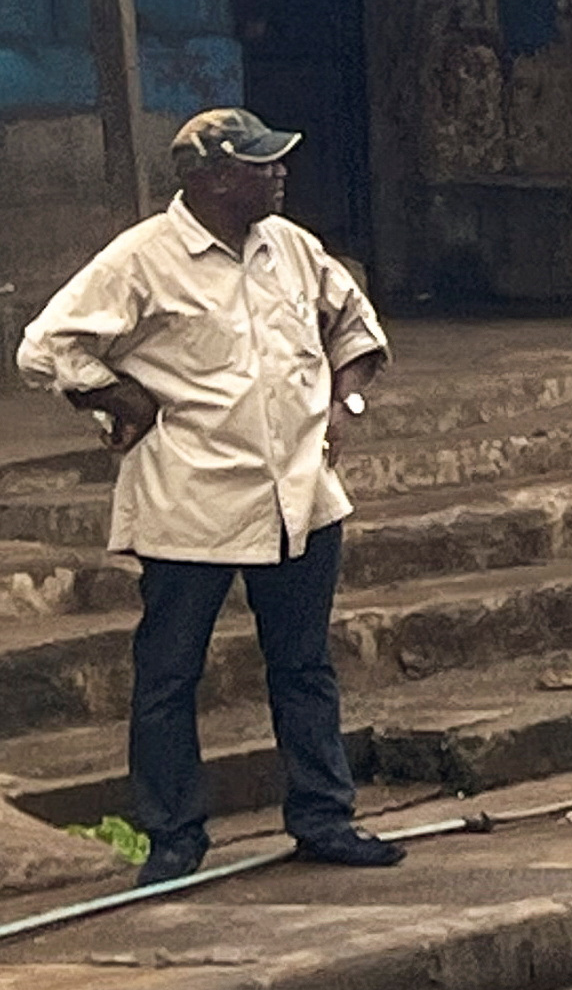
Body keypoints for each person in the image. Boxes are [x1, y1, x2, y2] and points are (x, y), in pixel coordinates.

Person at [15, 107, 400, 883]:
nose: (280, 173)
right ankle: (174, 837)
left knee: (302, 666)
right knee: (168, 675)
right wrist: (117, 397)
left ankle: (324, 816)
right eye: (261, 164)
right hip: (191, 499)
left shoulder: (290, 247)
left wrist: (343, 403)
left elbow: (354, 329)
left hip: (299, 493)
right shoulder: (143, 258)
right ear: (213, 179)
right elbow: (47, 346)